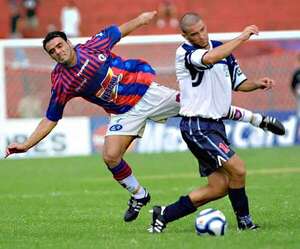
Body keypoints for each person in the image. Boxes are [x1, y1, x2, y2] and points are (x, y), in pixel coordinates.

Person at [5, 11, 285, 224]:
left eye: (59, 46)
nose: (58, 52)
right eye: (52, 51)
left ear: (68, 42)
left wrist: (141, 19)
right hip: (124, 113)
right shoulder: (61, 82)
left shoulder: (92, 47)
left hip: (148, 92)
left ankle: (257, 120)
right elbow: (51, 118)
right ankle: (140, 196)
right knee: (110, 156)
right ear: (50, 56)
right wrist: (28, 144)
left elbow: (118, 31)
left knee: (200, 105)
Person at [148, 12, 285, 233]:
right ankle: (245, 222)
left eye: (202, 29)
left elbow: (239, 83)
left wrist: (257, 83)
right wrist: (242, 37)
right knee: (238, 170)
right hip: (197, 127)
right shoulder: (185, 52)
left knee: (219, 187)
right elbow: (209, 58)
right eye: (194, 34)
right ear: (185, 35)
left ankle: (164, 214)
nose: (201, 36)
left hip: (216, 126)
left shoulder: (223, 49)